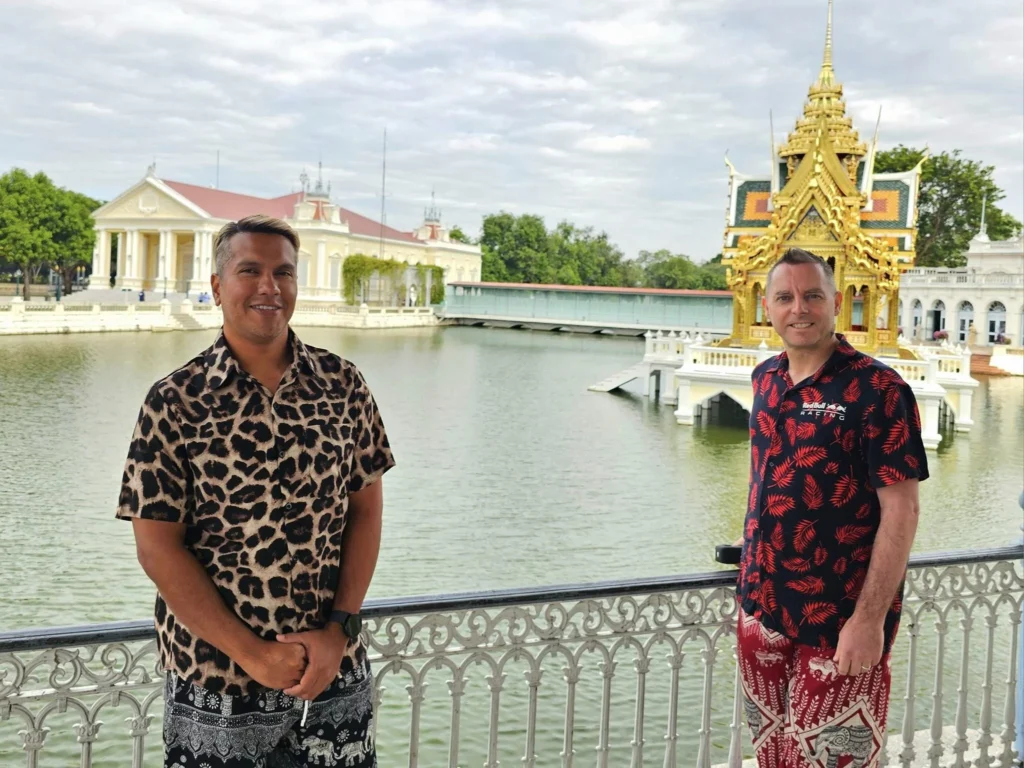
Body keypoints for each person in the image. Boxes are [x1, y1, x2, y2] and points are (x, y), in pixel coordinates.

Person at [116, 214, 394, 768]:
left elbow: (365, 513)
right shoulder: (174, 401)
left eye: (284, 273)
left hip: (331, 674)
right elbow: (158, 548)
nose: (270, 287)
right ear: (218, 286)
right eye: (251, 270)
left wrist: (340, 631)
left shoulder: (343, 385)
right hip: (217, 680)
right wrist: (255, 655)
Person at [736, 248, 928, 768]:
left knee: (830, 762)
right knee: (771, 756)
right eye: (785, 297)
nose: (799, 308)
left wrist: (867, 622)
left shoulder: (879, 390)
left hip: (839, 624)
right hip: (762, 608)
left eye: (812, 295)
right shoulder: (765, 379)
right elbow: (770, 479)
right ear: (768, 306)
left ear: (836, 303)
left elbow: (902, 512)